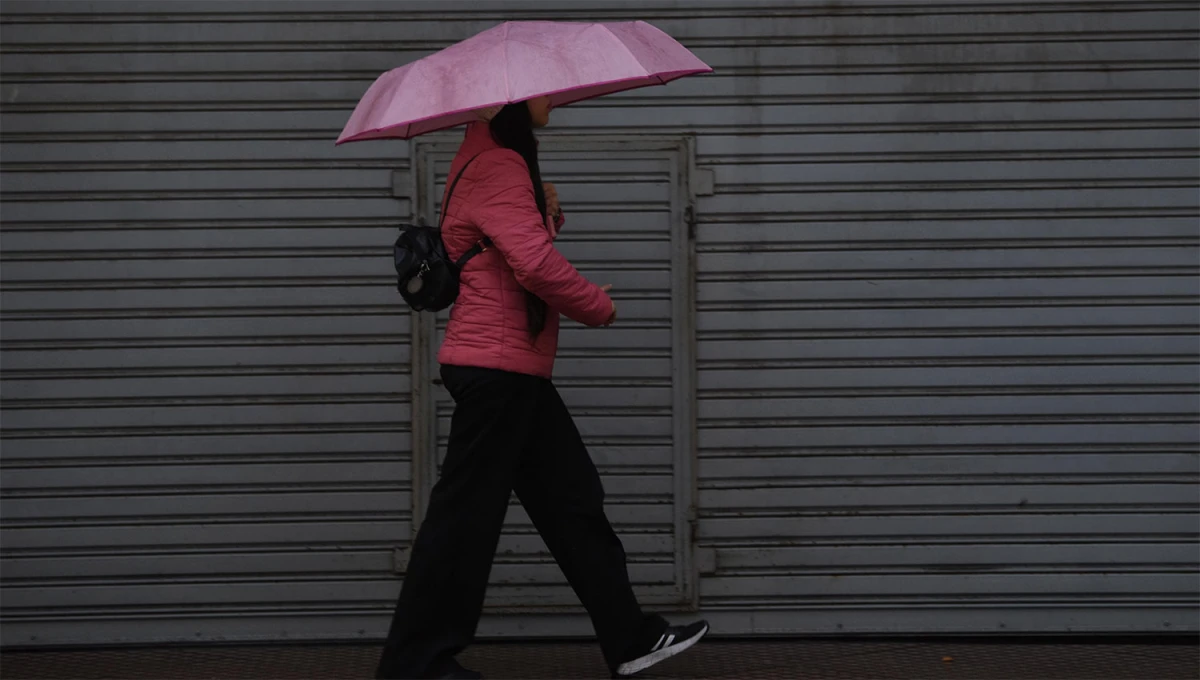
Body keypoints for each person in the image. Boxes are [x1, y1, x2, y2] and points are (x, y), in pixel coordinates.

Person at [374, 96, 708, 680]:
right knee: (464, 521)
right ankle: (416, 665)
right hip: (497, 370)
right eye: (541, 91)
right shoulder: (499, 163)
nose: (551, 98)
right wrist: (596, 305)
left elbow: (500, 249)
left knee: (572, 502)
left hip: (510, 368)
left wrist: (544, 211)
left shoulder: (486, 158)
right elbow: (530, 264)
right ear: (510, 100)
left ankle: (630, 638)